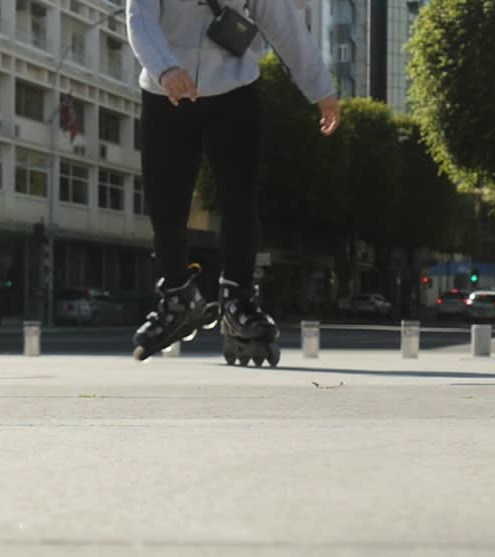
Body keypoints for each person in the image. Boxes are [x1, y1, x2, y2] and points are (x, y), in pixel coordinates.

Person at [127, 0, 340, 365]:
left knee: (239, 201)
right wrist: (164, 67)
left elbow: (285, 26)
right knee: (166, 207)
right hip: (167, 94)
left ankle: (239, 299)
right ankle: (177, 297)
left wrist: (322, 90)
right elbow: (139, 18)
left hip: (235, 92)